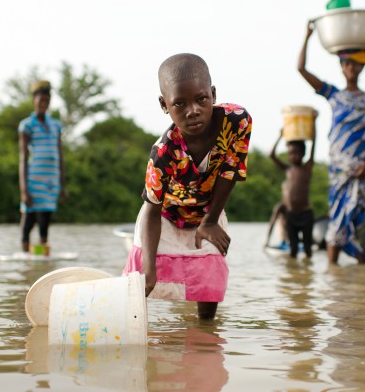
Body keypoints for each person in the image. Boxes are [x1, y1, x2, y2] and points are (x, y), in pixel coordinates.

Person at [123, 53, 252, 320]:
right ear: (164, 105)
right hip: (165, 217)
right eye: (179, 103)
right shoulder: (164, 151)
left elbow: (231, 171)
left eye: (201, 99)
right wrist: (150, 270)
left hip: (208, 212)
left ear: (213, 94)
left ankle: (205, 335)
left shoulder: (237, 122)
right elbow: (151, 210)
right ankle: (133, 328)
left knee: (210, 275)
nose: (192, 110)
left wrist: (210, 220)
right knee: (140, 280)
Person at [298, 21, 365, 265]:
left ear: (361, 67)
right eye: (347, 64)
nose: (351, 68)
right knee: (336, 223)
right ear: (342, 67)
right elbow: (301, 69)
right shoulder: (334, 95)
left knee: (362, 225)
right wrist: (307, 37)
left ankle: (362, 281)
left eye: (355, 64)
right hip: (340, 171)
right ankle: (333, 277)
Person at [18, 80, 67, 253]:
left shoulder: (56, 125)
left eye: (46, 100)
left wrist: (62, 186)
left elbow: (60, 156)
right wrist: (24, 190)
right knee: (29, 217)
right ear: (34, 101)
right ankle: (25, 253)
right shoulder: (26, 125)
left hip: (51, 180)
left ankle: (41, 254)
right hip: (34, 179)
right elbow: (23, 157)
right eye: (40, 100)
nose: (43, 104)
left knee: (45, 218)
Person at [268, 126, 316, 259]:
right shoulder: (288, 169)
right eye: (290, 153)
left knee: (308, 248)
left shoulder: (307, 168)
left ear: (303, 154)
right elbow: (271, 154)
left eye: (296, 153)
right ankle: (294, 275)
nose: (293, 156)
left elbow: (314, 144)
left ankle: (306, 274)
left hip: (306, 214)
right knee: (293, 249)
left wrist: (313, 126)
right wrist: (280, 136)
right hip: (291, 215)